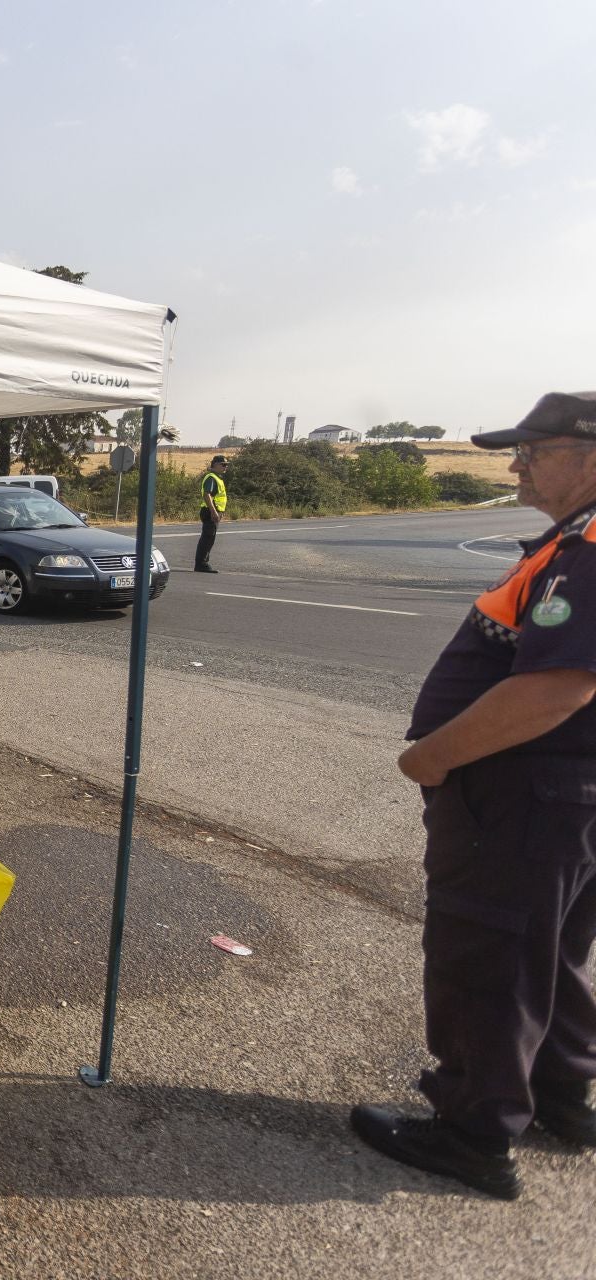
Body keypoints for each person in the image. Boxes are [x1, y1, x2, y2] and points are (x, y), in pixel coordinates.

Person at [353, 392, 596, 1200]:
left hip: (525, 798)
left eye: (536, 448)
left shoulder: (591, 545)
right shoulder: (572, 538)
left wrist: (429, 758)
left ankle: (473, 1131)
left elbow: (554, 688)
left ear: (589, 454)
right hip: (559, 798)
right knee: (546, 950)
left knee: (488, 954)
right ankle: (562, 1096)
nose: (517, 462)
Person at [195, 454, 228, 573]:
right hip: (210, 512)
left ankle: (202, 563)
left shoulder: (217, 477)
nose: (225, 467)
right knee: (207, 538)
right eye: (223, 465)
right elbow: (207, 494)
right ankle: (201, 564)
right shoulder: (212, 477)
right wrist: (214, 511)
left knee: (209, 538)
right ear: (215, 465)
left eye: (226, 465)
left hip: (213, 511)